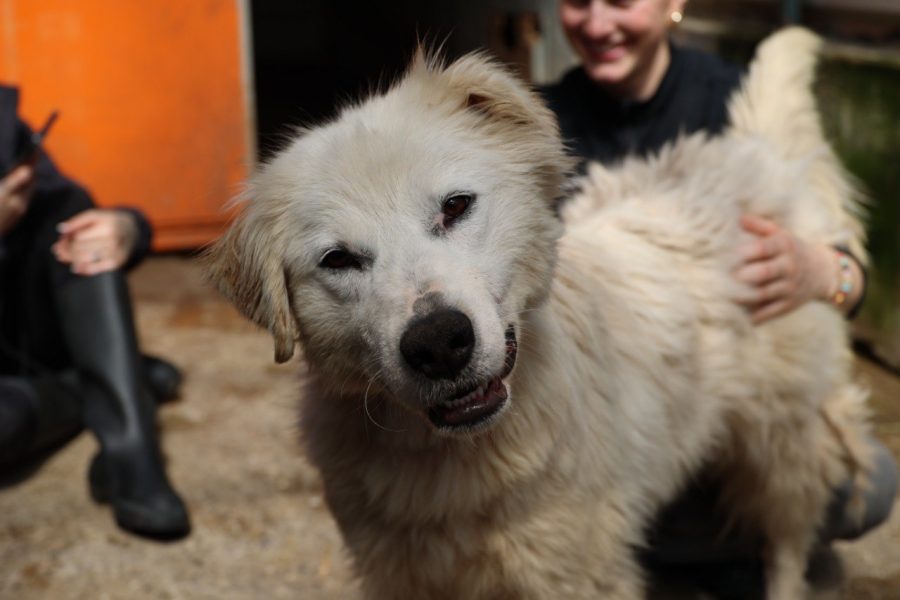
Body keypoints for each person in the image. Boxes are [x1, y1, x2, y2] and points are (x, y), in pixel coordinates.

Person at [541, 0, 897, 585]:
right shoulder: (540, 120)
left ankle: (730, 546)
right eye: (579, 2)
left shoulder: (730, 99)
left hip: (721, 382)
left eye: (621, 2)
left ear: (674, 4)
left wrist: (819, 269)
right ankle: (694, 543)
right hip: (613, 406)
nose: (598, 24)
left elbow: (852, 285)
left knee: (867, 487)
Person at [0, 84, 190, 540]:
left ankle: (131, 452)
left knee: (82, 225)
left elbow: (69, 199)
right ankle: (122, 386)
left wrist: (126, 227)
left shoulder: (7, 125)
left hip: (36, 334)